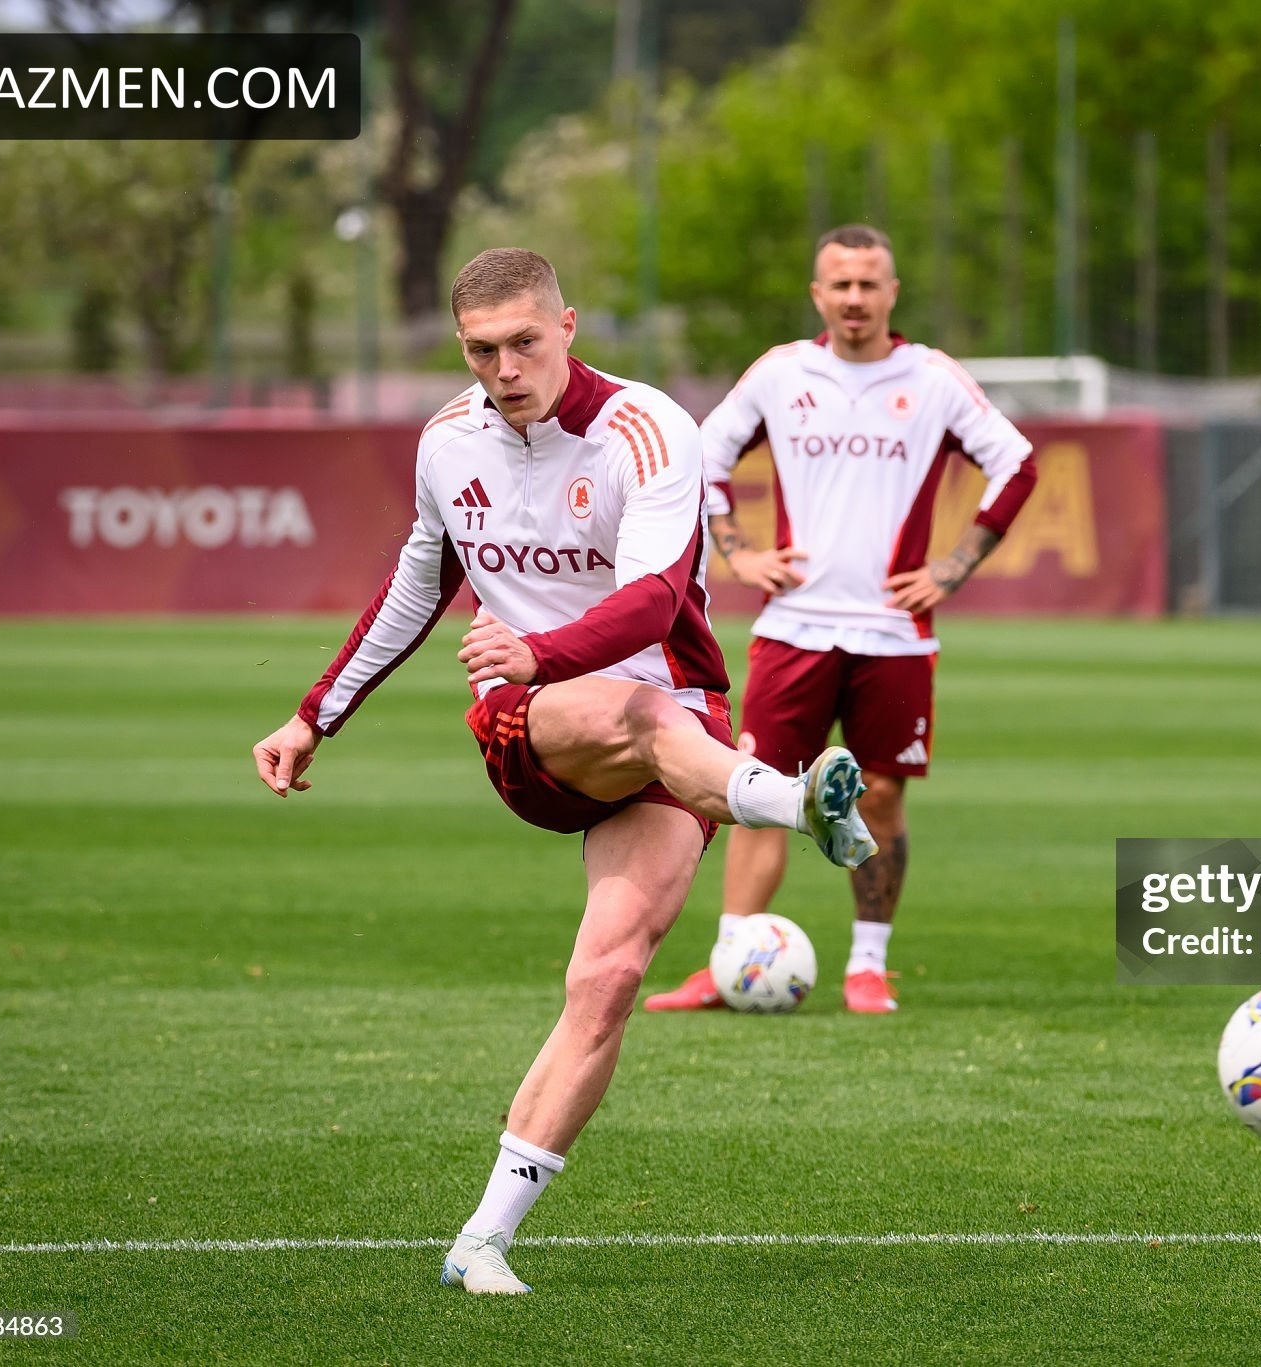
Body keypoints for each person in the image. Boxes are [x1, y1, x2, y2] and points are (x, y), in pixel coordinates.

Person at [249, 248, 876, 1295]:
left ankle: (481, 1239)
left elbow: (655, 600)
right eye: (480, 349)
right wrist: (317, 713)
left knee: (609, 978)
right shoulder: (448, 441)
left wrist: (542, 648)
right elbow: (417, 584)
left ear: (567, 327)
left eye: (523, 342)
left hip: (669, 727)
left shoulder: (648, 427)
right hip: (533, 726)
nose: (504, 368)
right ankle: (793, 799)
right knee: (642, 713)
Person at [643, 224, 1038, 1015]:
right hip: (794, 626)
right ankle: (730, 962)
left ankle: (868, 965)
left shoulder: (932, 378)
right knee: (756, 791)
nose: (855, 297)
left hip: (893, 631)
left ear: (892, 292)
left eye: (869, 283)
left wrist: (954, 565)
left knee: (881, 794)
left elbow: (1017, 463)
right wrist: (738, 549)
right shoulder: (782, 372)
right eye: (841, 284)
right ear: (818, 294)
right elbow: (698, 456)